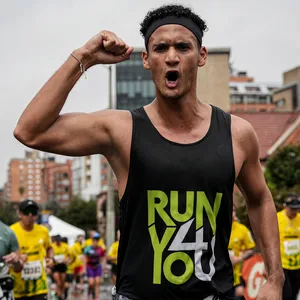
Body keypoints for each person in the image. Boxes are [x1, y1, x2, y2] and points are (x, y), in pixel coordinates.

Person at [14, 3, 285, 299]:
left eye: (183, 47)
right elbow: (30, 131)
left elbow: (259, 199)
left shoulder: (237, 133)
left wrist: (274, 277)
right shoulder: (121, 130)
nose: (171, 57)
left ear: (201, 56)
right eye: (160, 48)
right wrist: (85, 57)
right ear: (146, 59)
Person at [10, 199, 53, 300]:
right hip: (19, 288)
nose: (30, 215)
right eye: (26, 212)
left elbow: (49, 248)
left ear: (37, 215)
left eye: (33, 212)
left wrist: (51, 258)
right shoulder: (11, 231)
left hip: (39, 286)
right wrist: (17, 257)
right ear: (20, 214)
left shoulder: (43, 231)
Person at [228, 206, 255, 298]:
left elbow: (251, 250)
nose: (232, 212)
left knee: (238, 294)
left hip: (236, 275)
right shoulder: (214, 227)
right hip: (216, 274)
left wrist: (239, 258)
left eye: (233, 210)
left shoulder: (242, 229)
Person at [277, 193, 300, 300]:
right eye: (292, 209)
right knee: (286, 295)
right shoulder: (277, 218)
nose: (295, 212)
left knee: (294, 294)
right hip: (283, 264)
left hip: (298, 264)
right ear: (285, 206)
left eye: (297, 209)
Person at [84, 233, 106, 300]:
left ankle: (96, 297)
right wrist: (84, 268)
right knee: (91, 283)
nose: (95, 242)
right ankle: (90, 292)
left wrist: (104, 266)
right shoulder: (88, 249)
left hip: (97, 267)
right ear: (92, 241)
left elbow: (104, 257)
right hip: (90, 267)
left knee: (97, 282)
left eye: (97, 241)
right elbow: (85, 258)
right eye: (94, 241)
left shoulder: (100, 249)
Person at [51, 235, 70, 300]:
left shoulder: (65, 246)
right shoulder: (52, 246)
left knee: (62, 282)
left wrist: (66, 260)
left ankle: (61, 294)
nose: (58, 242)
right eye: (57, 241)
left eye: (59, 240)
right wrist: (53, 260)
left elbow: (69, 256)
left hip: (63, 266)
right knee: (58, 282)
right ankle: (59, 297)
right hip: (55, 266)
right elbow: (49, 256)